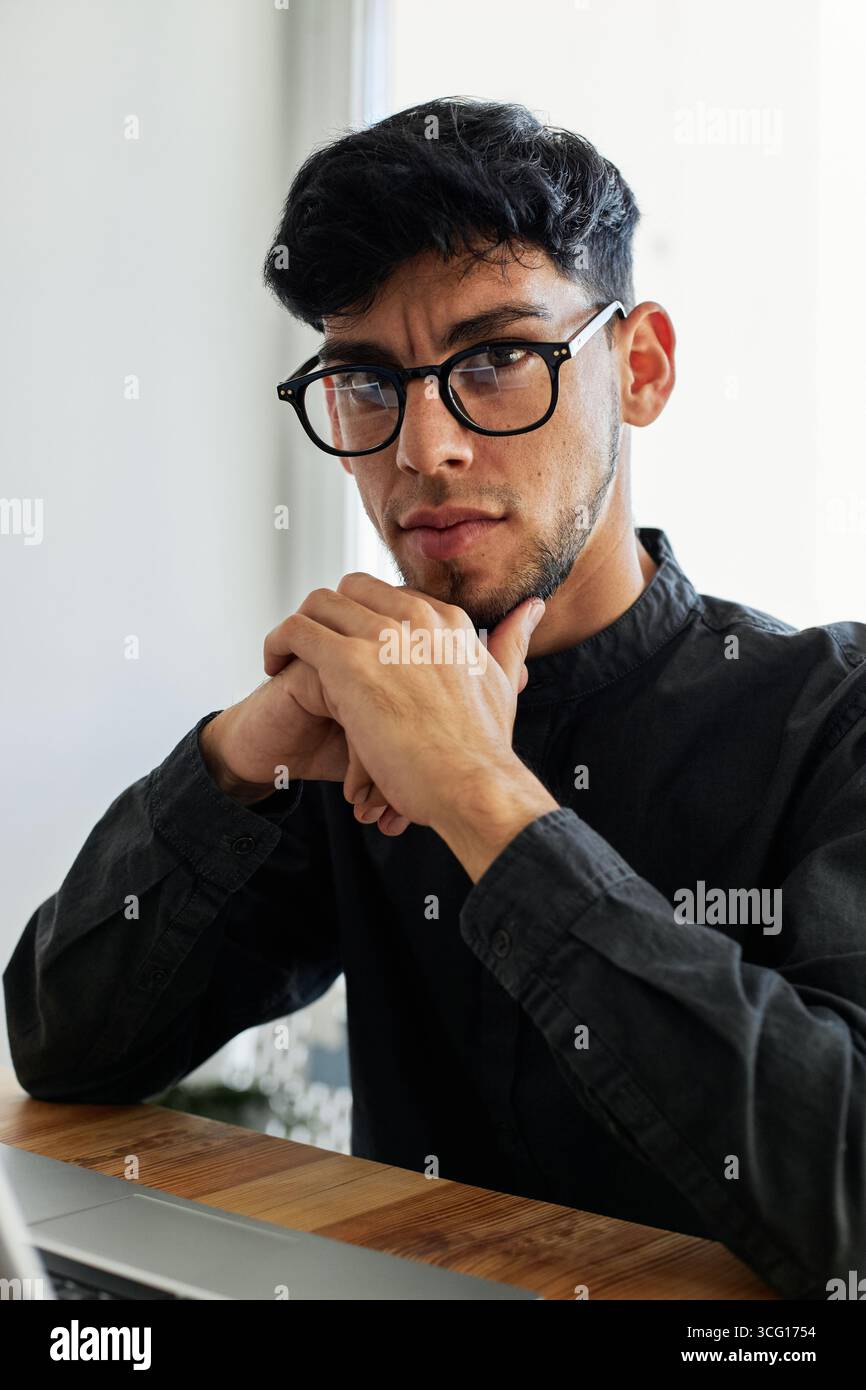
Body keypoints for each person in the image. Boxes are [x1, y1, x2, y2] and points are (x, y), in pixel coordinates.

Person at [5, 97, 866, 1301]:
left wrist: (479, 797)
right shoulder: (363, 719)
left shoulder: (831, 714)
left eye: (496, 359)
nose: (421, 447)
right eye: (364, 379)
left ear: (642, 365)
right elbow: (65, 1047)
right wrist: (244, 750)